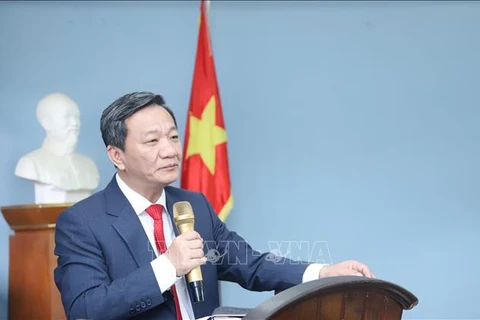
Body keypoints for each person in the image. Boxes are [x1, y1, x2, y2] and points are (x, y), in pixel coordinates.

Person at [54, 92, 374, 320]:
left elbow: (251, 264)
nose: (169, 151)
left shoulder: (194, 206)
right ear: (116, 155)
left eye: (174, 137)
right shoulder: (82, 222)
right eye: (153, 141)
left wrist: (324, 272)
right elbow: (85, 309)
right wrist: (168, 267)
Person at [15, 92, 99, 203]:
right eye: (66, 117)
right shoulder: (30, 163)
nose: (75, 123)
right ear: (46, 123)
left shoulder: (89, 165)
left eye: (77, 117)